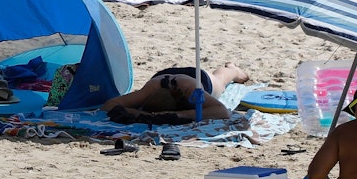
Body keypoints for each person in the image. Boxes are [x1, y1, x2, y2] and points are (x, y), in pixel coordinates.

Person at [101, 63, 250, 123]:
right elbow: (109, 105)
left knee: (221, 81)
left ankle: (233, 69)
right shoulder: (150, 91)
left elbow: (222, 111)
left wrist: (180, 115)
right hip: (163, 76)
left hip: (196, 78)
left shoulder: (189, 89)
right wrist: (141, 114)